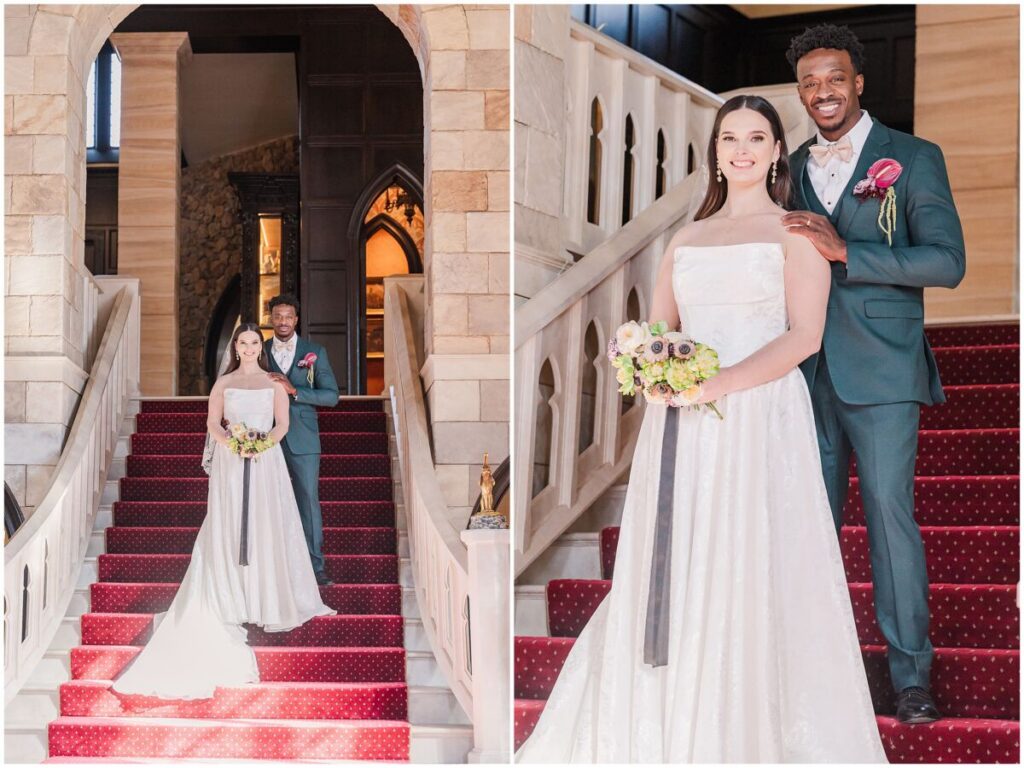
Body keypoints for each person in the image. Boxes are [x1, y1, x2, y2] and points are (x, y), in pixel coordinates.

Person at [516, 95, 887, 763]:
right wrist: (646, 366)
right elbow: (659, 335)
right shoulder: (683, 239)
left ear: (777, 151)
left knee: (748, 556)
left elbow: (804, 338)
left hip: (758, 416)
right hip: (680, 425)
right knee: (680, 556)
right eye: (728, 138)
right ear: (714, 153)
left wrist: (714, 385)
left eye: (756, 137)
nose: (741, 149)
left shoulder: (797, 231)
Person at [782, 24, 965, 725]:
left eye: (834, 78)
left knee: (890, 520)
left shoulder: (913, 158)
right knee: (807, 523)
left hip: (884, 371)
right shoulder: (789, 165)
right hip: (801, 373)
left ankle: (911, 676)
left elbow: (945, 262)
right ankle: (809, 665)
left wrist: (845, 252)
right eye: (808, 82)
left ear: (859, 82)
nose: (821, 92)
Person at [113, 324, 335, 699]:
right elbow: (212, 422)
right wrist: (233, 441)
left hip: (266, 462)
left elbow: (282, 424)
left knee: (266, 526)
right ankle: (230, 595)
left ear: (259, 348)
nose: (248, 348)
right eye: (243, 343)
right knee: (229, 526)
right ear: (235, 347)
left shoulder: (274, 383)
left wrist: (262, 442)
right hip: (231, 462)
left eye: (253, 343)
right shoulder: (224, 384)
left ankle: (265, 596)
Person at [263, 294, 340, 587]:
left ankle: (315, 568)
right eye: (278, 316)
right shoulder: (259, 351)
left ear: (296, 320)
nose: (283, 321)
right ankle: (271, 568)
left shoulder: (314, 351)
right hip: (266, 436)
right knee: (267, 500)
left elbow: (331, 396)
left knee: (307, 500)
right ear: (271, 318)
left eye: (288, 317)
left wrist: (295, 391)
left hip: (302, 439)